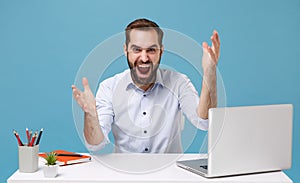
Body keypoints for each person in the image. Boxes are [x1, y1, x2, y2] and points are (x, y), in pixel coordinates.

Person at [72, 18, 220, 153]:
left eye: (151, 50)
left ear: (161, 51)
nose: (144, 58)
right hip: (125, 176)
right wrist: (90, 114)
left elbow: (203, 122)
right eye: (137, 50)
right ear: (126, 50)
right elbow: (95, 143)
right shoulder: (109, 87)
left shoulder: (178, 82)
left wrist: (209, 73)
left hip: (170, 176)